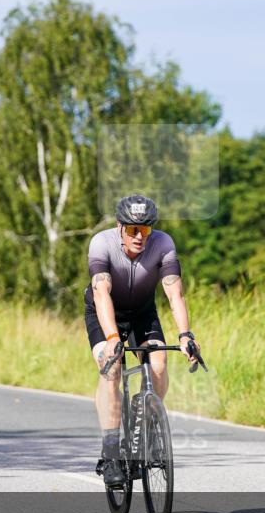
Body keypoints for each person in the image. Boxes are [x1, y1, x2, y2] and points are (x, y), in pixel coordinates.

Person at [85, 195, 202, 487]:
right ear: (119, 226)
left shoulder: (164, 244)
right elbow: (101, 292)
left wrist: (185, 334)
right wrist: (112, 337)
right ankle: (111, 453)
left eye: (146, 230)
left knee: (159, 365)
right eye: (133, 230)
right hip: (105, 311)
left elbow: (174, 292)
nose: (140, 237)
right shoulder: (101, 243)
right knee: (111, 370)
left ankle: (145, 416)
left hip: (142, 313)